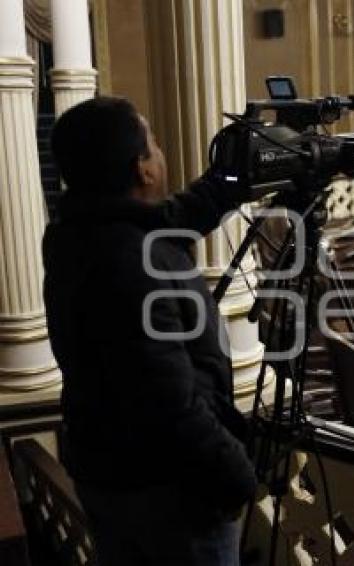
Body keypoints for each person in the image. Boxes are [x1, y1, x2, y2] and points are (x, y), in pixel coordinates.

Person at [43, 96, 257, 566]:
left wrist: (231, 180)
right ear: (142, 168)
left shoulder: (74, 233)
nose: (161, 154)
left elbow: (167, 220)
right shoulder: (138, 264)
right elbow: (170, 406)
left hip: (106, 468)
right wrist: (240, 474)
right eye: (154, 143)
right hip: (168, 495)